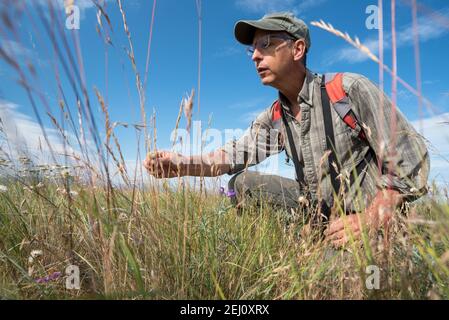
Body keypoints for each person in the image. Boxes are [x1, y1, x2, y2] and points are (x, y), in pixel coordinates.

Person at [143, 12, 430, 248]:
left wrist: (372, 216)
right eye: (252, 49)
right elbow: (231, 155)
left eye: (266, 44)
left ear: (297, 49)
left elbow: (411, 155)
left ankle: (348, 245)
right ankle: (303, 236)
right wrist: (182, 164)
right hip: (318, 210)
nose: (255, 56)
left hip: (369, 216)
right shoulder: (276, 117)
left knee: (329, 281)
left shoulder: (347, 90)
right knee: (241, 184)